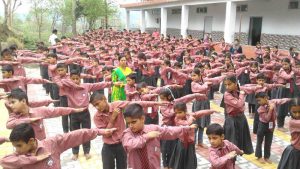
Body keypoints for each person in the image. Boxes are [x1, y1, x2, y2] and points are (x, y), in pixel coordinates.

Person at [90, 92, 167, 169]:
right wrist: (112, 119)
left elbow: (136, 103)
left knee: (123, 166)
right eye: (94, 106)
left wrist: (155, 103)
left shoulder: (116, 105)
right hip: (108, 146)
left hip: (122, 145)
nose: (97, 107)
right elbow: (106, 134)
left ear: (104, 99)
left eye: (97, 104)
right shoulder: (97, 117)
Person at [0, 123, 116, 169]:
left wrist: (99, 132)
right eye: (15, 146)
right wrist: (33, 159)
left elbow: (76, 135)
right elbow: (4, 161)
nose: (16, 149)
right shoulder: (18, 156)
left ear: (31, 141)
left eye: (19, 146)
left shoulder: (51, 144)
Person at [121, 103, 197, 169]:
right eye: (128, 123)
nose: (130, 125)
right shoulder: (127, 133)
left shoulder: (153, 128)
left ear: (142, 119)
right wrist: (146, 136)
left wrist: (187, 128)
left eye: (133, 122)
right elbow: (129, 145)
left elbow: (169, 131)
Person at [59, 69, 113, 160]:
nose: (75, 80)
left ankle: (87, 151)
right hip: (74, 113)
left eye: (77, 78)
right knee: (74, 134)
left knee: (87, 132)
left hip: (85, 113)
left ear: (80, 78)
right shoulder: (67, 88)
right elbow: (59, 81)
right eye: (73, 79)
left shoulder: (86, 86)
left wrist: (109, 84)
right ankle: (75, 152)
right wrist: (71, 84)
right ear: (70, 79)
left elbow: (97, 85)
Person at [5, 88, 86, 140]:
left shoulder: (38, 112)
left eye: (13, 102)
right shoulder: (14, 116)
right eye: (10, 103)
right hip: (25, 152)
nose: (11, 105)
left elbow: (56, 111)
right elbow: (9, 125)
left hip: (41, 146)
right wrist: (28, 120)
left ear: (23, 101)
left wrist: (74, 110)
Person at [169, 102, 218, 169]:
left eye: (180, 112)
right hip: (182, 143)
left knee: (190, 160)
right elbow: (186, 124)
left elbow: (200, 112)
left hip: (191, 143)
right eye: (176, 113)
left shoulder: (189, 115)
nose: (177, 115)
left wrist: (211, 111)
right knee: (179, 160)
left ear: (185, 111)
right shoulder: (177, 119)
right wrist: (191, 118)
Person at [255, 92, 291, 164]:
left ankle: (266, 157)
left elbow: (280, 100)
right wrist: (271, 110)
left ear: (265, 98)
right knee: (259, 141)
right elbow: (267, 119)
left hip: (271, 126)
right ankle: (259, 156)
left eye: (259, 100)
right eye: (257, 101)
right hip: (262, 125)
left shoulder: (272, 102)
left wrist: (290, 99)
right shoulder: (260, 109)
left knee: (268, 142)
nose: (258, 102)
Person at [223, 75, 254, 154]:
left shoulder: (240, 90)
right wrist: (242, 94)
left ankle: (238, 154)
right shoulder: (227, 94)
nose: (227, 87)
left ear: (235, 83)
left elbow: (250, 88)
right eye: (225, 85)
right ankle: (230, 162)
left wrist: (259, 86)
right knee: (232, 143)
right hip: (231, 120)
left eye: (229, 84)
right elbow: (238, 104)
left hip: (241, 118)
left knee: (240, 141)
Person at [277, 97, 300, 169]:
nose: (297, 114)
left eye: (299, 112)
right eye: (294, 112)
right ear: (290, 110)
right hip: (296, 153)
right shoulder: (293, 122)